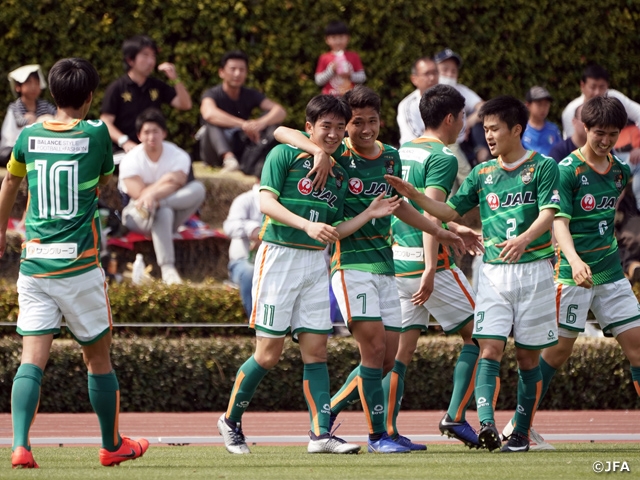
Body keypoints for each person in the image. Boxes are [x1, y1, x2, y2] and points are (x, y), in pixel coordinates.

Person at [274, 86, 471, 454]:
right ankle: (378, 436)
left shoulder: (392, 156)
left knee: (386, 360)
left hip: (387, 265)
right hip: (350, 265)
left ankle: (338, 419)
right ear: (345, 126)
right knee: (375, 348)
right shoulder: (337, 153)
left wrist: (445, 232)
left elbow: (400, 208)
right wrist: (318, 149)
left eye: (372, 121)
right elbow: (280, 133)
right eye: (356, 122)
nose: (365, 129)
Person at [217, 94, 402, 456]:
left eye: (338, 127)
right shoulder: (284, 155)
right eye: (325, 127)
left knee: (317, 352)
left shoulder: (341, 171)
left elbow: (336, 229)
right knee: (268, 354)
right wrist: (306, 225)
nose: (332, 134)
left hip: (317, 264)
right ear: (309, 128)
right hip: (278, 259)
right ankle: (231, 420)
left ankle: (320, 435)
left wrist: (369, 213)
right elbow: (265, 202)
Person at [385, 95, 561, 453]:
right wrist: (413, 195)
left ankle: (522, 433)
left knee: (528, 359)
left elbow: (550, 213)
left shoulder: (543, 167)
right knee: (489, 349)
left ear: (517, 129)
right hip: (495, 273)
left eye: (495, 129)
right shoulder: (482, 173)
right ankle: (486, 425)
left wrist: (526, 239)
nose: (488, 136)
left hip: (536, 271)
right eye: (485, 128)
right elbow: (447, 210)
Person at [0, 57, 149, 469]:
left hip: (34, 264)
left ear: (52, 95)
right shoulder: (97, 134)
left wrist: (0, 231)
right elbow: (105, 181)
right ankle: (111, 444)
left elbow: (10, 180)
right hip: (79, 266)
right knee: (98, 359)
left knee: (32, 359)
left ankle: (20, 445)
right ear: (88, 98)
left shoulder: (28, 135)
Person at [502, 96, 640, 447]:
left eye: (612, 134)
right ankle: (519, 427)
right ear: (583, 128)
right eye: (598, 133)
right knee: (557, 353)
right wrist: (576, 260)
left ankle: (519, 426)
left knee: (638, 348)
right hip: (571, 274)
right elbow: (558, 222)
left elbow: (607, 220)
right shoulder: (566, 170)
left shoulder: (621, 171)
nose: (605, 141)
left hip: (610, 273)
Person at [390, 84, 482, 450]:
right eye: (462, 117)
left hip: (397, 262)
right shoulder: (443, 157)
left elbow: (409, 208)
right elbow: (430, 212)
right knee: (483, 336)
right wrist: (431, 266)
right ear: (450, 118)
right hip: (433, 267)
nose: (463, 125)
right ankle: (456, 416)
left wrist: (454, 226)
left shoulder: (400, 151)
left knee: (398, 354)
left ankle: (380, 427)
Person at [118, 108, 206, 285]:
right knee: (163, 211)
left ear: (164, 133)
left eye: (155, 131)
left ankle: (168, 270)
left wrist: (157, 195)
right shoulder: (130, 159)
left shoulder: (178, 154)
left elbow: (180, 181)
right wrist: (167, 180)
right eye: (147, 132)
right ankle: (168, 268)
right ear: (139, 135)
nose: (151, 137)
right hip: (137, 215)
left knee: (197, 189)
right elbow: (140, 196)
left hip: (169, 212)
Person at [100, 34, 192, 155]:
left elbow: (185, 105)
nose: (151, 61)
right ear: (130, 60)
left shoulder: (157, 86)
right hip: (123, 151)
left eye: (153, 56)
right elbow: (105, 122)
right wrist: (125, 142)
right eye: (145, 55)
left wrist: (175, 79)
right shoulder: (117, 88)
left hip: (153, 149)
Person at [199, 50, 286, 175]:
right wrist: (243, 124)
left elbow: (280, 111)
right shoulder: (212, 94)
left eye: (242, 69)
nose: (237, 73)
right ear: (221, 72)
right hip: (213, 150)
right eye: (233, 69)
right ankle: (228, 159)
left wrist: (260, 123)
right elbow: (209, 113)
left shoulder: (250, 94)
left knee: (270, 124)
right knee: (211, 123)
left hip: (238, 147)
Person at [434, 49, 490, 169]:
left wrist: (468, 122)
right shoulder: (429, 94)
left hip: (462, 143)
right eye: (445, 70)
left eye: (453, 71)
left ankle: (482, 154)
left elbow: (484, 107)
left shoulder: (460, 90)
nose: (449, 74)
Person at [561, 64, 640, 142]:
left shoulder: (615, 98)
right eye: (593, 87)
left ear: (607, 86)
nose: (597, 92)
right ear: (582, 85)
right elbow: (571, 142)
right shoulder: (570, 111)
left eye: (602, 87)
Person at [0, 64, 57, 166]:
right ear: (18, 87)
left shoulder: (44, 105)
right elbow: (19, 121)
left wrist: (41, 119)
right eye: (29, 83)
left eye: (36, 83)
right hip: (13, 147)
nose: (33, 87)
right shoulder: (15, 106)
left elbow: (57, 115)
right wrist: (29, 121)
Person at [223, 177, 261, 317]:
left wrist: (264, 236)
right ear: (259, 179)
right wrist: (254, 230)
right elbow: (229, 227)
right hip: (243, 262)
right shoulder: (245, 200)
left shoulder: (287, 200)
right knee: (250, 271)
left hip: (277, 263)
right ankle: (259, 325)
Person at [315, 21, 366, 97]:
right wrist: (331, 70)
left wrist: (350, 75)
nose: (338, 41)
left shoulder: (353, 56)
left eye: (341, 37)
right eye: (334, 38)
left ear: (348, 38)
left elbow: (362, 77)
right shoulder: (324, 58)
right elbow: (318, 80)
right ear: (327, 40)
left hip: (349, 97)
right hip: (329, 98)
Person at [397, 57, 440, 145]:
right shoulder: (407, 106)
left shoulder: (448, 99)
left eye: (434, 72)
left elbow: (460, 134)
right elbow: (415, 139)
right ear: (414, 79)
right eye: (426, 74)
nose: (432, 78)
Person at [522, 86, 562, 156]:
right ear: (528, 105)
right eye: (539, 104)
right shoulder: (522, 130)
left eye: (546, 104)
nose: (543, 108)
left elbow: (561, 151)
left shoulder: (554, 129)